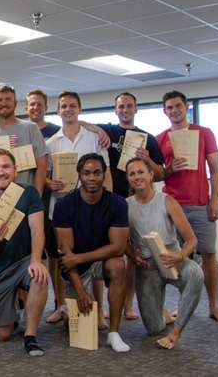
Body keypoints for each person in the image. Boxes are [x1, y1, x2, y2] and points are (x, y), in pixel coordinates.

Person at [83, 92, 165, 321]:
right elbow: (80, 122)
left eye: (129, 106)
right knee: (108, 255)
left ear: (136, 109)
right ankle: (106, 306)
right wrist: (98, 130)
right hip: (109, 201)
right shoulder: (108, 130)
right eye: (121, 107)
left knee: (134, 256)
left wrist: (148, 160)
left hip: (136, 202)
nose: (125, 110)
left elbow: (160, 174)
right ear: (115, 110)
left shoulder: (148, 138)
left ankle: (128, 305)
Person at [157, 90, 218, 323]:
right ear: (164, 111)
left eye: (178, 106)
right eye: (169, 107)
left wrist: (214, 200)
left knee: (208, 254)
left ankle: (214, 306)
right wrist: (170, 169)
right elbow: (157, 175)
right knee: (179, 257)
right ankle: (184, 305)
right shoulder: (160, 138)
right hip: (172, 206)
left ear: (186, 106)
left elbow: (215, 170)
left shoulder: (204, 133)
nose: (174, 110)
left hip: (200, 204)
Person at [0, 148, 49, 357]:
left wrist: (36, 261)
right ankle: (13, 310)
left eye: (6, 167)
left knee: (39, 275)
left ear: (15, 171)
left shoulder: (28, 192)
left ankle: (30, 336)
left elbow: (37, 230)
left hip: (24, 261)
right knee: (2, 334)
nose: (1, 172)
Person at [46, 91, 112, 328]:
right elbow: (44, 176)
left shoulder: (94, 137)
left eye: (72, 105)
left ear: (80, 109)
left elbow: (106, 173)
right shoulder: (50, 143)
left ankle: (99, 309)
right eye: (64, 106)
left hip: (93, 209)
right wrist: (49, 183)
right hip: (61, 209)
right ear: (58, 111)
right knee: (62, 259)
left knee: (95, 260)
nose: (68, 109)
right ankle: (61, 305)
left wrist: (108, 203)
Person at [53, 153, 130, 353]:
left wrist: (79, 257)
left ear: (104, 174)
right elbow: (66, 256)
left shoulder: (118, 203)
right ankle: (66, 310)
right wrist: (81, 291)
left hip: (102, 260)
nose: (92, 177)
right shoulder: (64, 205)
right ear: (79, 175)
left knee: (119, 265)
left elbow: (118, 247)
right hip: (75, 268)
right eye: (86, 173)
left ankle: (114, 333)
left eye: (97, 173)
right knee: (73, 326)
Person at [125, 157, 203, 349]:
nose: (137, 177)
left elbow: (192, 240)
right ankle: (164, 315)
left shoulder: (167, 201)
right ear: (128, 179)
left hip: (173, 260)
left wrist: (180, 256)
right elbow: (121, 242)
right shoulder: (125, 206)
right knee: (154, 329)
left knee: (196, 274)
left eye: (141, 172)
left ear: (151, 175)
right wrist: (133, 255)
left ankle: (175, 333)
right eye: (132, 174)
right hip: (147, 266)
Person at [25, 89, 62, 324]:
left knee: (54, 254)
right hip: (25, 201)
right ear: (26, 107)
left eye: (39, 104)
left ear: (46, 107)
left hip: (50, 201)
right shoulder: (23, 132)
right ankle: (25, 305)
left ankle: (59, 303)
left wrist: (48, 182)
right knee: (28, 253)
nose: (35, 108)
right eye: (31, 104)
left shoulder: (56, 133)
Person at [0, 83, 47, 195]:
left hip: (25, 197)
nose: (4, 103)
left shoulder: (30, 128)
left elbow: (42, 167)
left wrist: (36, 197)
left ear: (15, 103)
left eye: (8, 99)